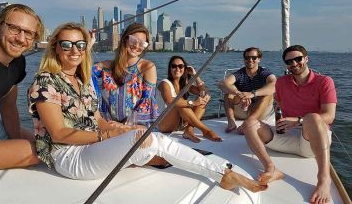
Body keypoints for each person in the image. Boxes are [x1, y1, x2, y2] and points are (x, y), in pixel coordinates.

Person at [27, 22, 267, 193]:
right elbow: (58, 134)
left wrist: (115, 129)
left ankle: (223, 173)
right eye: (66, 45)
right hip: (69, 155)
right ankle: (222, 172)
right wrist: (111, 133)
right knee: (145, 141)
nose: (75, 50)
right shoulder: (46, 81)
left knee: (152, 140)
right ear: (55, 47)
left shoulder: (81, 81)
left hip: (93, 144)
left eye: (79, 45)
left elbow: (96, 115)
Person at [243, 45, 336, 204]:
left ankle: (323, 179)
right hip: (287, 137)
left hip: (312, 139)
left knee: (312, 117)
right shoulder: (281, 83)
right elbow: (278, 106)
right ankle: (271, 168)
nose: (294, 63)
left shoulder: (324, 81)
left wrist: (298, 120)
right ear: (286, 64)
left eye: (298, 59)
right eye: (289, 61)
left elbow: (329, 116)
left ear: (306, 59)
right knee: (249, 123)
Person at [0, 4, 44, 169]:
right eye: (14, 29)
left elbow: (8, 108)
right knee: (37, 152)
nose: (21, 39)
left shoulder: (18, 62)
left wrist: (15, 141)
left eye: (29, 33)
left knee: (44, 142)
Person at [92, 23, 158, 127]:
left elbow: (146, 103)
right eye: (133, 40)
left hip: (136, 126)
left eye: (142, 44)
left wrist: (124, 125)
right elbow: (85, 73)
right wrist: (88, 45)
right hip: (108, 124)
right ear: (125, 39)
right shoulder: (108, 66)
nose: (136, 46)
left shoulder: (147, 67)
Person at [157, 56, 222, 143]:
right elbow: (169, 100)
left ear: (184, 69)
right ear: (170, 69)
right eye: (174, 66)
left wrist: (195, 75)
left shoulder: (185, 84)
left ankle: (189, 130)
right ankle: (206, 130)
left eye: (180, 66)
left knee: (202, 100)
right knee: (182, 104)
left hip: (182, 123)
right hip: (165, 124)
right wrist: (192, 103)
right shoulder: (165, 83)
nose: (177, 69)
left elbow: (204, 93)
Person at [219, 47, 276, 134]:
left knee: (268, 94)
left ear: (259, 59)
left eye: (254, 58)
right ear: (244, 59)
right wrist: (239, 93)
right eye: (247, 57)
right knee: (228, 94)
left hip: (260, 112)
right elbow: (223, 84)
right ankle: (231, 122)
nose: (250, 60)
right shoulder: (239, 74)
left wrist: (252, 94)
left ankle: (248, 123)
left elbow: (274, 84)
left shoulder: (264, 73)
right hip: (242, 109)